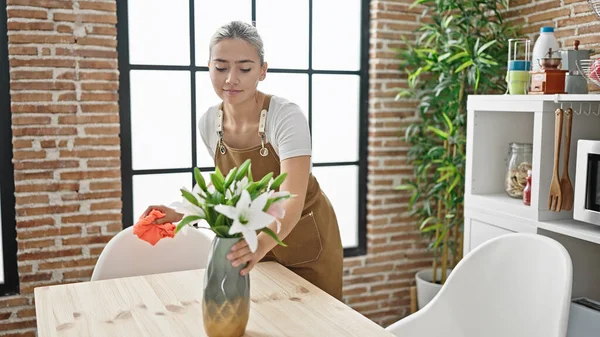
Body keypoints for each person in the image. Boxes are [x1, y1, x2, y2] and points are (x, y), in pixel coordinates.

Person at [143, 21, 343, 300]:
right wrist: (181, 214)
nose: (230, 79)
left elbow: (291, 198)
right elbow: (229, 192)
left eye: (245, 68)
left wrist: (260, 245)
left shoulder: (285, 116)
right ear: (208, 67)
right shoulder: (209, 123)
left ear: (263, 71)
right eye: (221, 67)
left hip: (306, 240)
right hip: (252, 240)